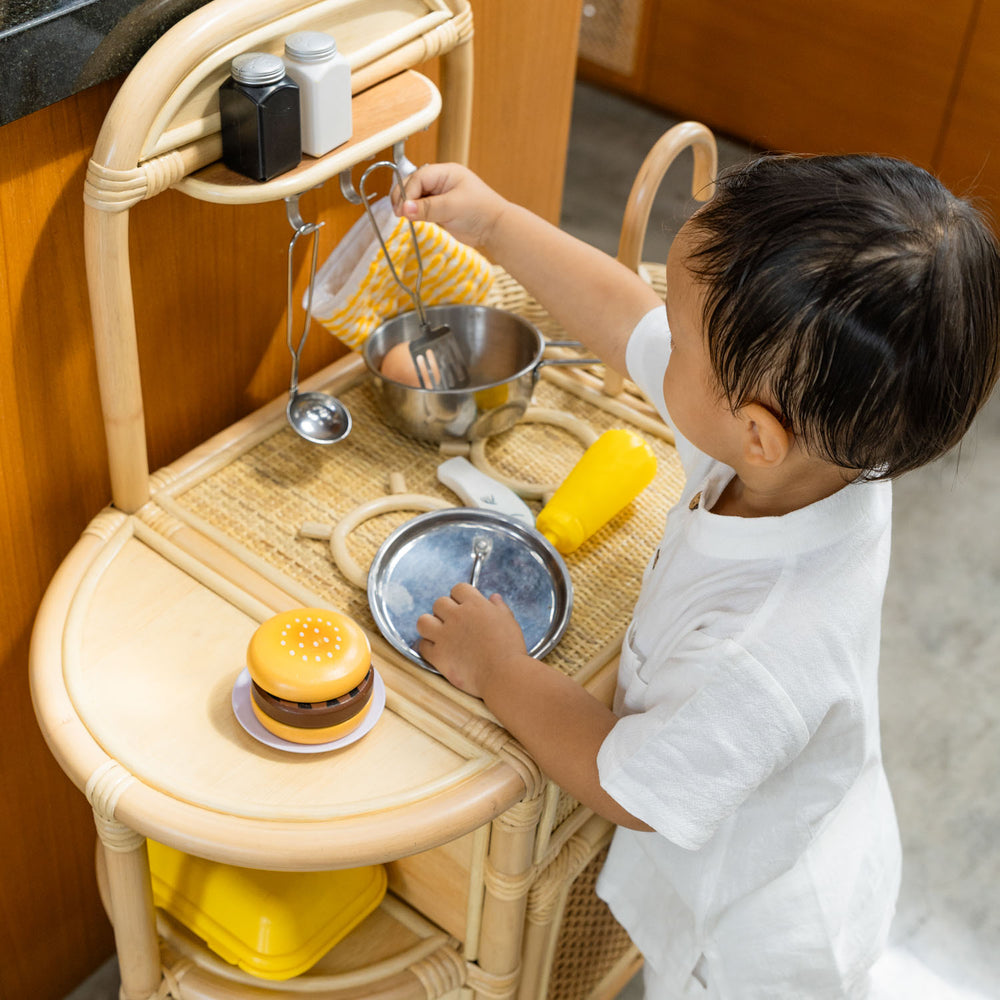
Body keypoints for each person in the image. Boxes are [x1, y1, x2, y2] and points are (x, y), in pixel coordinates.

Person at [392, 153, 1000, 999]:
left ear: (756, 433)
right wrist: (493, 223)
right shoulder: (815, 458)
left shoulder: (764, 647)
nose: (659, 338)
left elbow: (627, 782)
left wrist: (499, 669)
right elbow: (624, 319)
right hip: (813, 836)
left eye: (681, 340)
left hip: (763, 944)